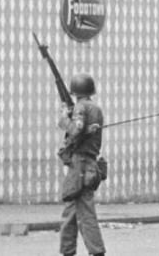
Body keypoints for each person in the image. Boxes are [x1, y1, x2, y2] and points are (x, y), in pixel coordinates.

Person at [58, 72, 106, 256]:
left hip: (79, 164)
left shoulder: (80, 107)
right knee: (70, 211)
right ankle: (67, 251)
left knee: (85, 212)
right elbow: (84, 130)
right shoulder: (95, 108)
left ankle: (97, 252)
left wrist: (64, 119)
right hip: (88, 164)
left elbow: (76, 130)